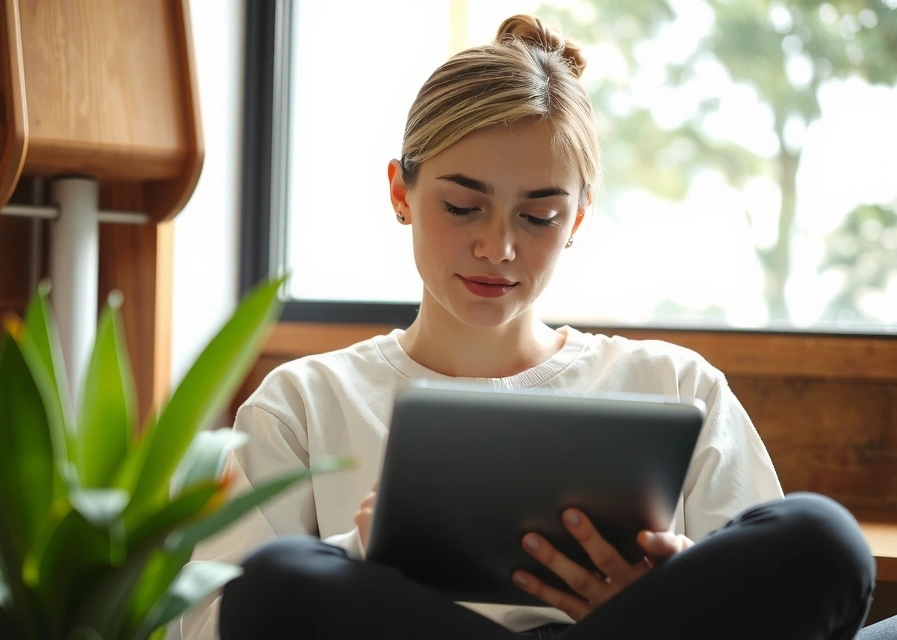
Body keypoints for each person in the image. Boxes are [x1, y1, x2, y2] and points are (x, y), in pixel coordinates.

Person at [181, 14, 896, 640]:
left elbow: (769, 601)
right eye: (464, 207)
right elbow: (213, 624)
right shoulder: (307, 399)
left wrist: (655, 600)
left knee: (823, 538)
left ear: (578, 218)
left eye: (539, 216)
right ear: (401, 191)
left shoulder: (673, 384)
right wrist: (357, 553)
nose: (499, 248)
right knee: (272, 580)